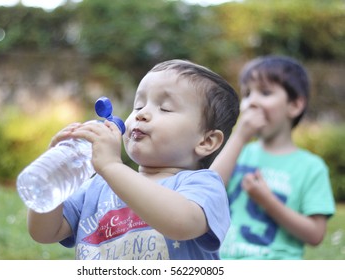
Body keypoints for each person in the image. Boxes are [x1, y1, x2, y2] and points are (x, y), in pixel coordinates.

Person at [27, 59, 240, 260]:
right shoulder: (97, 187)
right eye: (138, 106)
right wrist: (52, 177)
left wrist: (111, 166)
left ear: (207, 141)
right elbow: (44, 232)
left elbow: (181, 223)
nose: (141, 114)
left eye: (164, 108)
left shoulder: (204, 186)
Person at [210, 55, 336, 259]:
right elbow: (206, 190)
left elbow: (315, 234)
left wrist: (268, 202)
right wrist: (239, 137)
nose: (252, 103)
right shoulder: (237, 152)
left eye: (265, 93)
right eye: (247, 94)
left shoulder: (311, 167)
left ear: (294, 105)